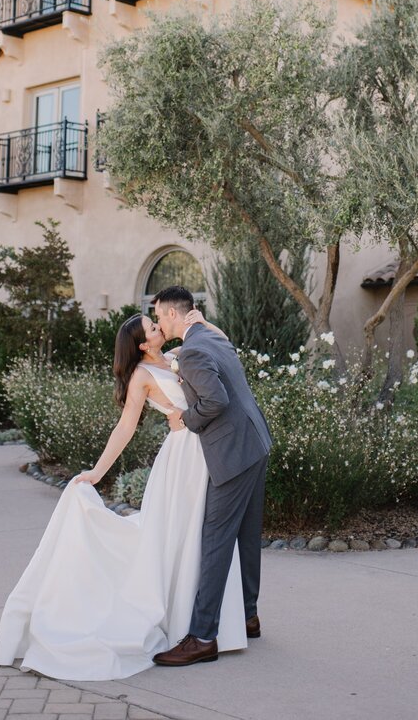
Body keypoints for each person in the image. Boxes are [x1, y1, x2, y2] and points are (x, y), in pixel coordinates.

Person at [0, 308, 247, 680]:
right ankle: (187, 627)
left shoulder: (179, 356)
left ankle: (213, 626)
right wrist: (97, 472)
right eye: (152, 326)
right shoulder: (143, 376)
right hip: (182, 460)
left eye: (156, 320)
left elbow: (224, 348)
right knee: (182, 535)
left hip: (208, 451)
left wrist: (203, 321)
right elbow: (125, 427)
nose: (159, 325)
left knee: (208, 536)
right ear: (143, 345)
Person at [151, 285, 273, 668]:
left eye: (157, 315)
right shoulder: (211, 337)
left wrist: (183, 419)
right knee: (246, 537)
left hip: (233, 453)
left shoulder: (193, 350)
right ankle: (249, 617)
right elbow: (227, 357)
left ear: (173, 314)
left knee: (215, 540)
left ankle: (203, 636)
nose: (156, 321)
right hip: (256, 443)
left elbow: (215, 401)